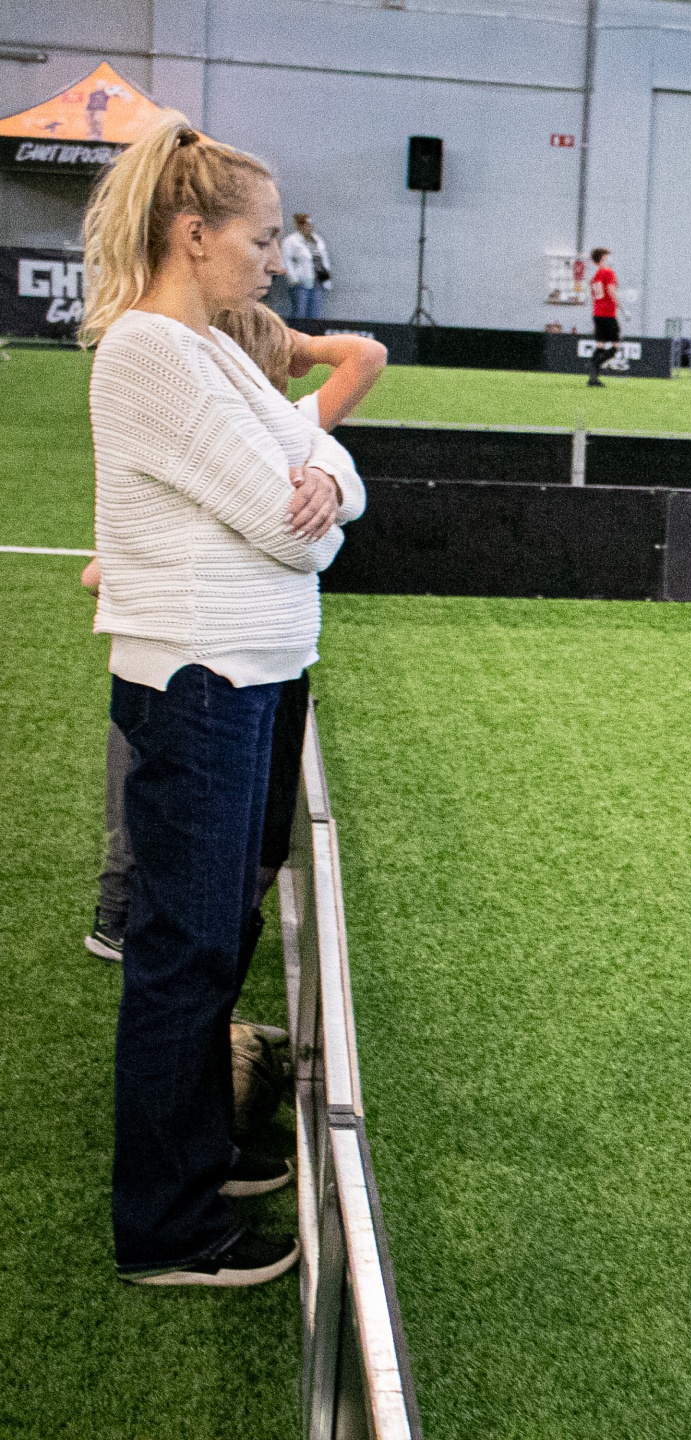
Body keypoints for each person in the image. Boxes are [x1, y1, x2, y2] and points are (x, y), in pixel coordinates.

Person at [82, 113, 366, 1287]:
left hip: (240, 674)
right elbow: (290, 528)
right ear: (193, 235)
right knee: (186, 953)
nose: (276, 259)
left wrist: (323, 488)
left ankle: (193, 1162)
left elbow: (327, 463)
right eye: (260, 239)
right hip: (202, 679)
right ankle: (167, 1226)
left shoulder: (207, 347)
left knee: (210, 941)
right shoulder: (153, 351)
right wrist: (315, 508)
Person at [278, 213, 328, 321]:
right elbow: (285, 261)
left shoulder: (317, 240)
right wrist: (294, 279)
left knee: (315, 315)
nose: (309, 227)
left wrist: (326, 280)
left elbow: (323, 259)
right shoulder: (291, 241)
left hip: (317, 282)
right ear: (299, 226)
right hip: (301, 283)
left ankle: (314, 331)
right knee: (300, 313)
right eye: (306, 225)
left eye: (310, 225)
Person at [587, 246, 619, 387]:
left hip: (597, 313)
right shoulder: (608, 272)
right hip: (608, 313)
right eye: (607, 255)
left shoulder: (595, 276)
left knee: (600, 345)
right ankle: (594, 367)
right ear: (604, 257)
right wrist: (619, 304)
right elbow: (611, 290)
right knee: (614, 346)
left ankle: (593, 378)